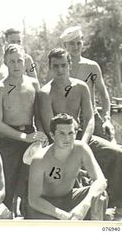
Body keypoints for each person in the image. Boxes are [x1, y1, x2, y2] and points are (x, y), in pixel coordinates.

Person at [39, 47, 122, 211]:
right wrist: (71, 149)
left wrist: (83, 143)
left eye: (63, 65)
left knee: (117, 154)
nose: (60, 69)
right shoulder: (45, 93)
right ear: (50, 67)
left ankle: (116, 203)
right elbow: (51, 127)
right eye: (55, 66)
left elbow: (89, 118)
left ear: (70, 65)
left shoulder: (81, 87)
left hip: (82, 137)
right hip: (59, 142)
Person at [0, 44, 47, 214]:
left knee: (33, 181)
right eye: (12, 61)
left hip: (31, 135)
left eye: (19, 61)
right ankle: (7, 215)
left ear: (25, 62)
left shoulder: (33, 84)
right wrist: (23, 137)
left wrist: (42, 136)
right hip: (9, 138)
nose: (16, 65)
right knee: (8, 181)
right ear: (6, 63)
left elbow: (38, 115)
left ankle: (31, 214)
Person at [28, 113, 107, 220]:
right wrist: (63, 216)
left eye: (71, 133)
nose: (67, 138)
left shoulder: (81, 149)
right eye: (62, 134)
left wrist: (83, 207)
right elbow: (34, 200)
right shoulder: (39, 159)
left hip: (69, 198)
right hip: (45, 204)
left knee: (100, 196)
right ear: (52, 135)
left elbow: (101, 180)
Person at [61, 26, 115, 142]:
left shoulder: (91, 66)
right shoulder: (59, 68)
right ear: (65, 45)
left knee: (111, 151)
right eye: (71, 44)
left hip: (91, 117)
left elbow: (103, 94)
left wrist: (106, 119)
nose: (76, 47)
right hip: (67, 121)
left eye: (78, 43)